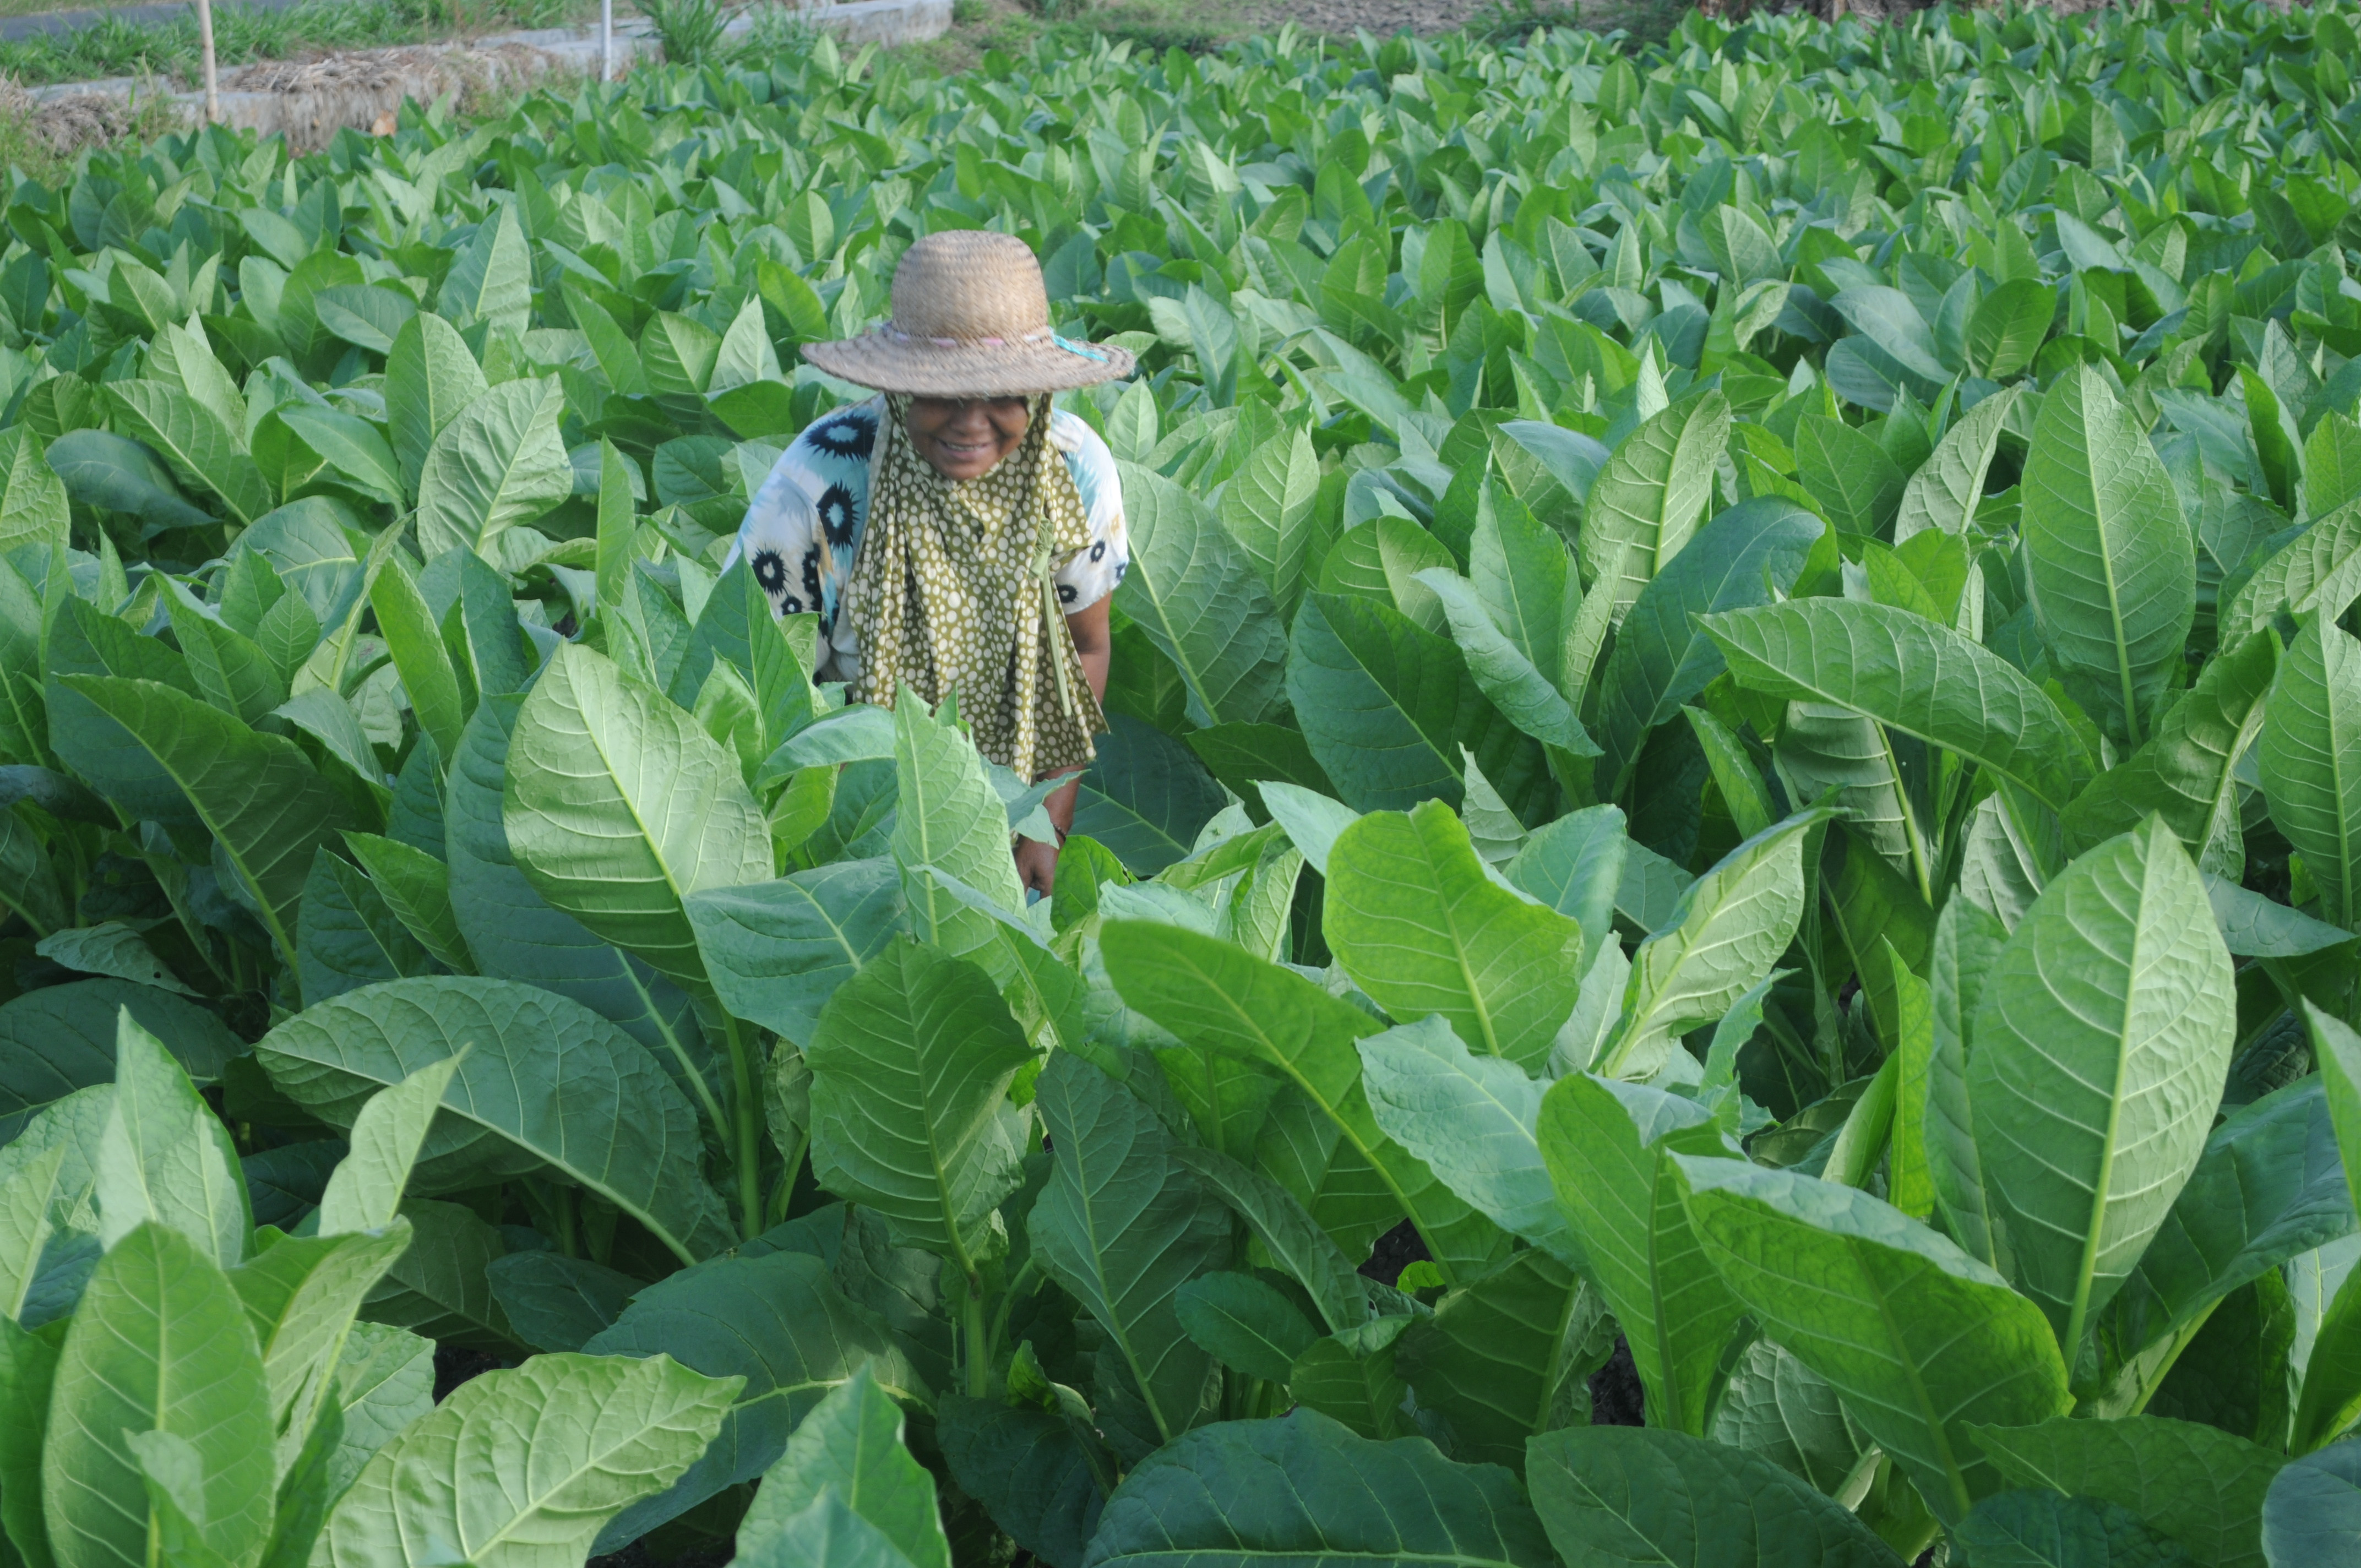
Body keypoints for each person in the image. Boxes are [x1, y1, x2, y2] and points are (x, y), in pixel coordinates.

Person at [729, 230, 1137, 896]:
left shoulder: (1075, 471)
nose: (970, 423)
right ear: (896, 385)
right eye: (942, 395)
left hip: (1011, 799)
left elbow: (1085, 646)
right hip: (852, 805)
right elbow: (756, 684)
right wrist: (826, 845)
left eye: (1003, 395)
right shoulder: (822, 479)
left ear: (1037, 392)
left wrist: (1046, 820)